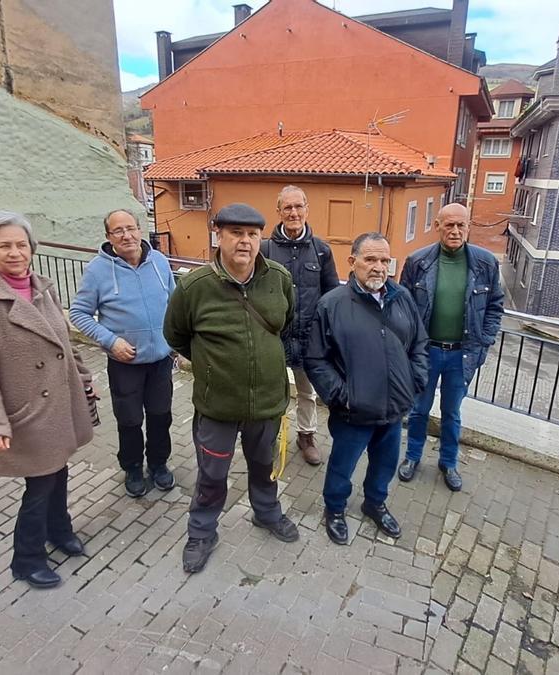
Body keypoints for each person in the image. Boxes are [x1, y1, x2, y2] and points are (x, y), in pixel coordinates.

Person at [0, 211, 97, 589]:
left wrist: (84, 380)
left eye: (21, 244)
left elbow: (64, 344)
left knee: (59, 469)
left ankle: (60, 530)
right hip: (28, 410)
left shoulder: (43, 287)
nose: (15, 252)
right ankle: (26, 558)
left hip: (60, 402)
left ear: (32, 249)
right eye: (5, 246)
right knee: (39, 485)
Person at [163, 203, 300, 573]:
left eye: (253, 234)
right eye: (236, 233)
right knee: (212, 475)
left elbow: (285, 322)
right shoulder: (194, 287)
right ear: (218, 236)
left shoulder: (279, 278)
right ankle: (202, 531)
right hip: (217, 407)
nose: (245, 241)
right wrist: (214, 365)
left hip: (267, 404)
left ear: (261, 238)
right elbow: (175, 334)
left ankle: (267, 513)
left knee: (263, 466)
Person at [304, 233, 427, 545]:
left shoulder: (402, 298)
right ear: (352, 262)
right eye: (370, 259)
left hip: (394, 408)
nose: (378, 267)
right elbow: (316, 359)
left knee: (385, 464)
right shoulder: (331, 305)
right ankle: (334, 509)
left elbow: (420, 344)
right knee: (342, 467)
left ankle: (374, 503)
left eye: (385, 260)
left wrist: (414, 382)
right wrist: (343, 397)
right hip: (353, 412)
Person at [398, 203, 505, 492]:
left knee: (451, 412)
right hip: (426, 351)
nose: (455, 231)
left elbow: (495, 305)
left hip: (463, 353)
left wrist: (486, 339)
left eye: (461, 225)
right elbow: (403, 308)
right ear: (437, 226)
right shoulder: (418, 261)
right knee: (418, 410)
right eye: (449, 225)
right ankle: (412, 457)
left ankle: (448, 462)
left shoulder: (485, 263)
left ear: (468, 227)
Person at [71, 210, 176, 498]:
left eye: (130, 228)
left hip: (161, 360)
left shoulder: (160, 262)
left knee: (160, 415)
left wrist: (177, 341)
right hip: (124, 362)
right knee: (129, 420)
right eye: (118, 231)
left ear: (140, 230)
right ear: (109, 237)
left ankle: (158, 464)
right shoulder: (97, 270)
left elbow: (175, 302)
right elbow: (79, 313)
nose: (126, 235)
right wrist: (111, 341)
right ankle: (132, 467)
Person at [259, 186, 339, 465]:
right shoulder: (265, 249)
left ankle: (306, 436)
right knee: (271, 389)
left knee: (307, 392)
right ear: (278, 211)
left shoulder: (321, 250)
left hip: (309, 338)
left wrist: (328, 334)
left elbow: (331, 295)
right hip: (274, 336)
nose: (293, 213)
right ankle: (269, 436)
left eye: (298, 207)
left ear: (307, 209)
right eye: (287, 208)